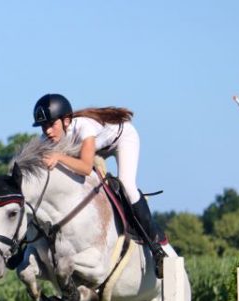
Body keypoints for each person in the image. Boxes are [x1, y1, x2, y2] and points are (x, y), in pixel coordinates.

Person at [31, 93, 168, 277]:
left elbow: (86, 167)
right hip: (96, 148)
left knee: (127, 185)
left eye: (51, 124)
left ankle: (156, 249)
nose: (47, 131)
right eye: (43, 126)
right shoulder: (46, 140)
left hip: (121, 140)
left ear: (66, 121)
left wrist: (58, 157)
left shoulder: (83, 127)